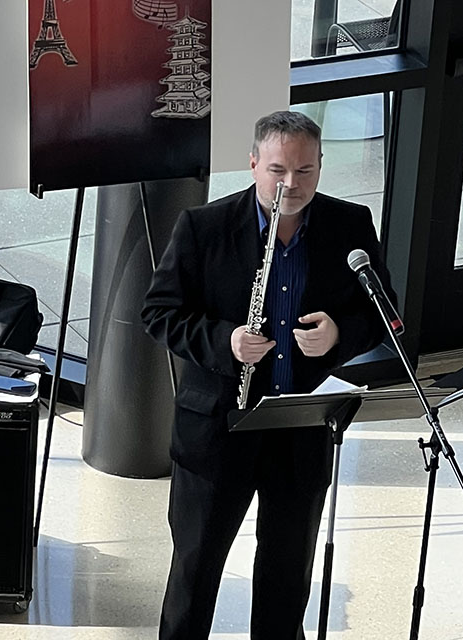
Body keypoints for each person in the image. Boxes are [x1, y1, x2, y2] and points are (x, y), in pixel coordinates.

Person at [141, 111, 396, 639]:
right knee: (195, 576)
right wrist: (225, 341)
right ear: (253, 163)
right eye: (278, 170)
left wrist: (338, 336)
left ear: (321, 165)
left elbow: (385, 312)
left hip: (298, 428)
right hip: (218, 428)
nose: (291, 184)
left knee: (286, 583)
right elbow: (159, 312)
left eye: (305, 171)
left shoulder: (349, 226)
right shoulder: (203, 228)